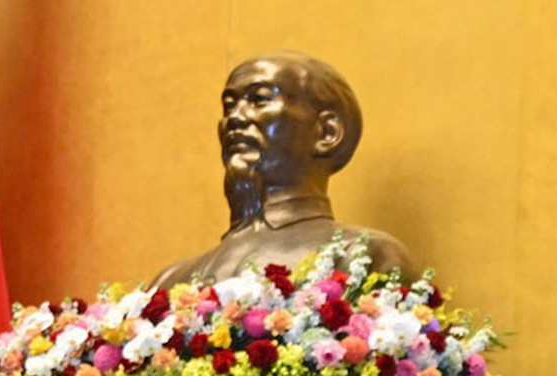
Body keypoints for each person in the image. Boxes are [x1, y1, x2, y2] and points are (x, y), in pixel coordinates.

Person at [150, 52, 414, 292]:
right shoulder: (171, 281)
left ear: (327, 132)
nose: (235, 117)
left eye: (260, 100)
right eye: (229, 105)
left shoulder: (361, 255)